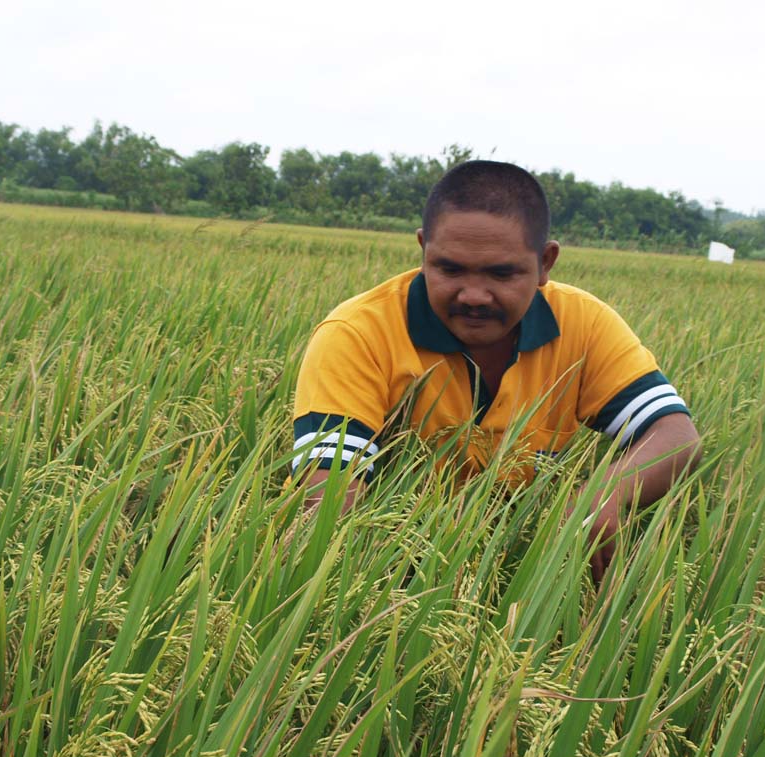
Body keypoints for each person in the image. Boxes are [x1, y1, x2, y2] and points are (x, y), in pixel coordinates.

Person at [291, 160, 700, 582]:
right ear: (423, 251)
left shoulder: (583, 324)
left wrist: (606, 493)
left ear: (545, 263)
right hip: (387, 572)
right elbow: (329, 496)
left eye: (501, 273)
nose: (473, 295)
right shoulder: (358, 333)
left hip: (527, 571)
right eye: (449, 269)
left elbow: (674, 434)